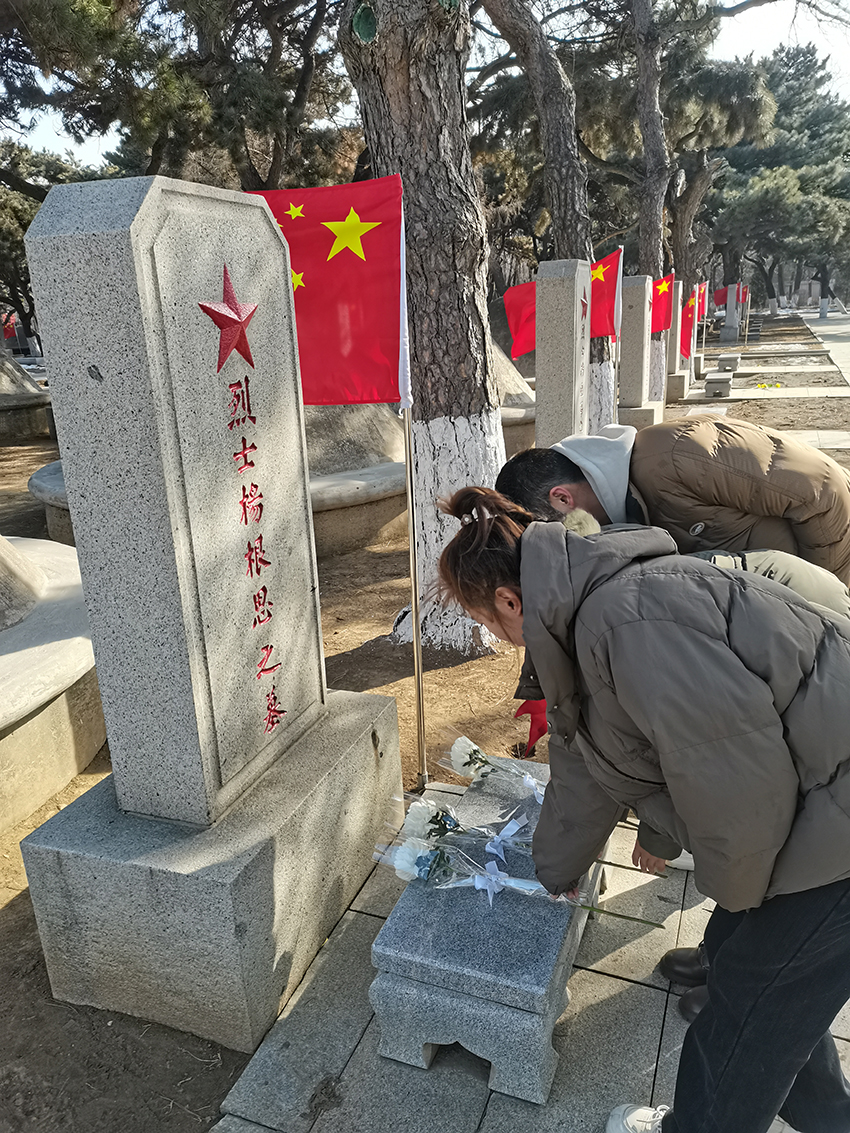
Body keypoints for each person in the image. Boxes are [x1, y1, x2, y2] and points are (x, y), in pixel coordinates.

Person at [437, 484, 850, 1133]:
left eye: (488, 622)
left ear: (511, 600)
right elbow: (594, 764)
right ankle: (828, 1113)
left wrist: (746, 899)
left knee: (743, 1016)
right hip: (822, 799)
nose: (493, 636)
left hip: (838, 818)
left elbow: (739, 788)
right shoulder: (588, 612)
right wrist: (551, 871)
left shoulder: (629, 619)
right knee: (761, 975)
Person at [494, 415, 850, 585]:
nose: (569, 542)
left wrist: (827, 592)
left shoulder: (678, 453)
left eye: (559, 532)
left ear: (562, 499)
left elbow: (823, 492)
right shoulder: (623, 521)